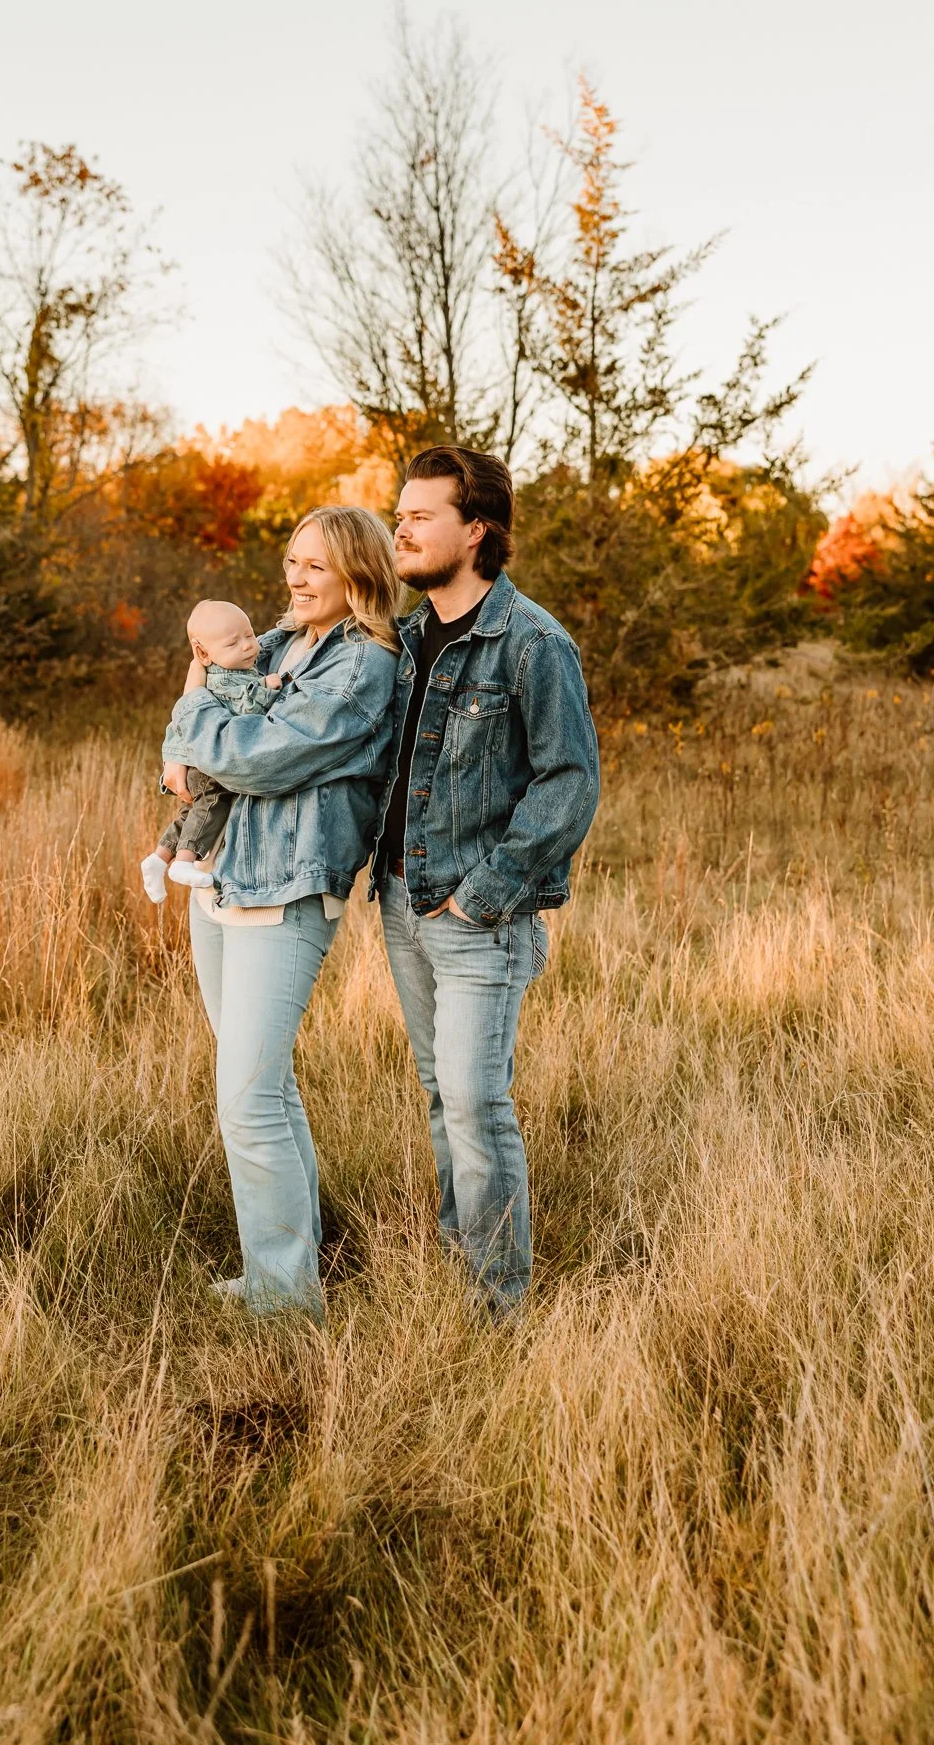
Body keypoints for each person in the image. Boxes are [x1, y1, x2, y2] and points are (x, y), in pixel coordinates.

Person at [371, 445, 599, 1316]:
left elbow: (569, 780)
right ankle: (456, 1258)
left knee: (475, 1101)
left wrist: (485, 893)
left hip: (478, 915)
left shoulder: (531, 642)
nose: (401, 526)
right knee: (441, 1096)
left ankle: (495, 1304)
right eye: (400, 512)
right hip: (400, 900)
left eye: (420, 514)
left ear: (475, 531)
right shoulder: (400, 641)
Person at [162, 506, 401, 1319]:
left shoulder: (363, 664)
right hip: (227, 878)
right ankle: (287, 1270)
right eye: (291, 563)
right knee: (265, 1086)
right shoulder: (276, 643)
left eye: (315, 567)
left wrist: (192, 714)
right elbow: (209, 737)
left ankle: (284, 1299)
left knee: (247, 1098)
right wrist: (200, 724)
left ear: (358, 574)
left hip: (289, 887)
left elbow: (255, 760)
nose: (295, 580)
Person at [142, 599, 283, 902]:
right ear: (204, 654)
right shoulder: (224, 679)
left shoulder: (229, 668)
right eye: (234, 643)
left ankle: (158, 857)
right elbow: (247, 706)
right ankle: (183, 862)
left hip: (196, 763)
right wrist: (267, 688)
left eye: (249, 635)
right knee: (211, 804)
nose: (247, 646)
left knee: (191, 812)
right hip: (207, 766)